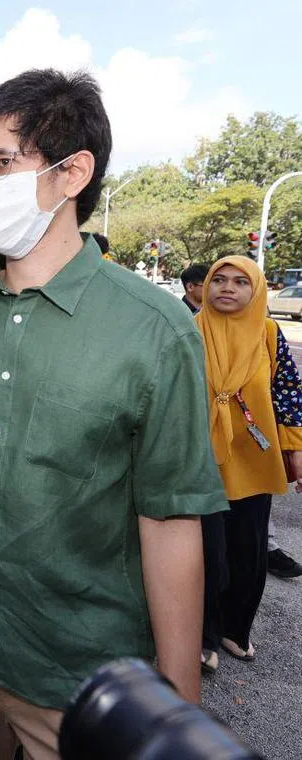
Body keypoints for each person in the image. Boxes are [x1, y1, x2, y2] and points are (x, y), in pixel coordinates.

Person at [0, 69, 225, 760]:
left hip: (79, 674)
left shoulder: (156, 330)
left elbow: (170, 519)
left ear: (73, 173)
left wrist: (178, 705)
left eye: (3, 163)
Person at [195, 256, 302, 673]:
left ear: (256, 291)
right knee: (205, 553)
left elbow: (288, 392)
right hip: (199, 460)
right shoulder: (190, 330)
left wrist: (295, 448)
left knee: (248, 552)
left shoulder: (268, 333)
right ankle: (202, 635)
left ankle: (235, 628)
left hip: (253, 460)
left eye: (241, 282)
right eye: (219, 279)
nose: (227, 287)